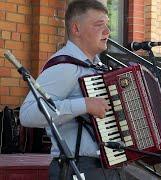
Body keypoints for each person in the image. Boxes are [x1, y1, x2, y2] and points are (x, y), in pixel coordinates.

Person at [19, 1, 123, 179]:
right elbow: (27, 114)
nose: (107, 32)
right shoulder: (64, 67)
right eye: (99, 25)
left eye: (107, 25)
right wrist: (84, 105)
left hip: (107, 167)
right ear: (76, 29)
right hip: (77, 166)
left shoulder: (97, 67)